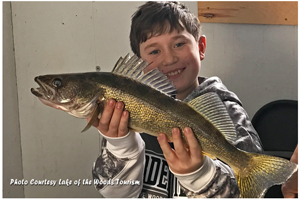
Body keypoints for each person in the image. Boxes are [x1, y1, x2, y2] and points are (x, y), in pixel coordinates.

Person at [90, 1, 263, 197]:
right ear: (139, 63)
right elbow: (116, 194)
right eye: (155, 51)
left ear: (201, 47)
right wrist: (120, 145)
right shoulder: (124, 111)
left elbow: (245, 191)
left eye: (179, 44)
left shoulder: (227, 110)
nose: (169, 59)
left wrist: (201, 174)